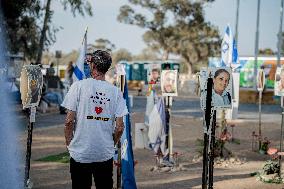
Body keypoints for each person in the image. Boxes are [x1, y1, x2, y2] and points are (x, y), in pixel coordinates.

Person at [61, 50, 128, 189]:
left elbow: (69, 121)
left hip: (80, 153)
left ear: (92, 66)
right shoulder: (115, 92)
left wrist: (70, 145)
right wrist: (111, 143)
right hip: (104, 153)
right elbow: (120, 127)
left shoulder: (78, 87)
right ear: (107, 68)